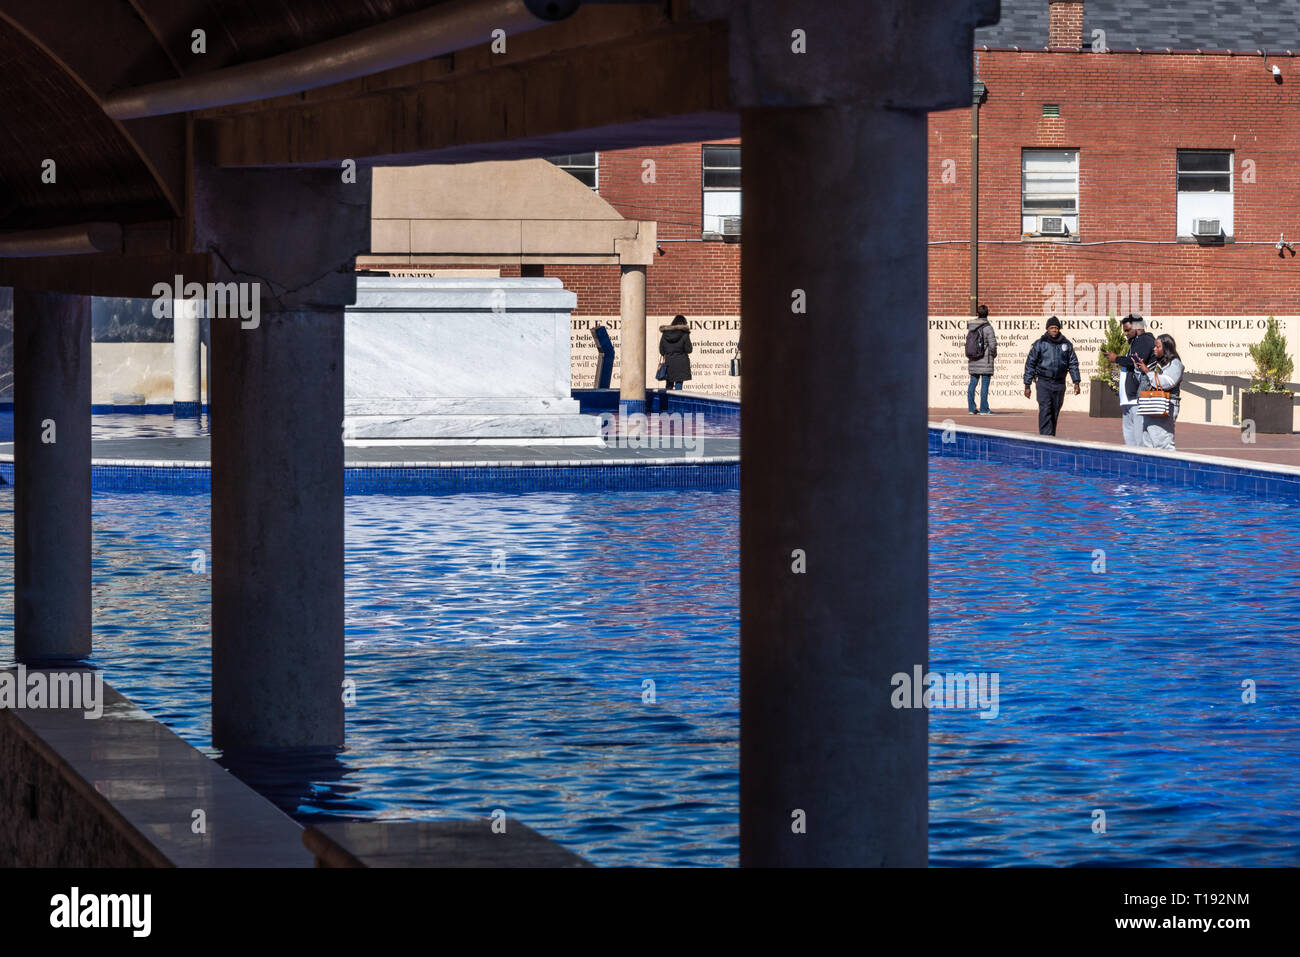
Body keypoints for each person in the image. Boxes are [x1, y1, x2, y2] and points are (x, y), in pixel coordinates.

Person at [1023, 316, 1081, 436]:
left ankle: (1051, 437)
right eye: (1051, 328)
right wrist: (1027, 385)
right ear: (1047, 329)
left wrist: (1076, 382)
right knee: (1045, 410)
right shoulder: (1040, 344)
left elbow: (1073, 363)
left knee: (1055, 411)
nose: (1054, 330)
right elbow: (1030, 364)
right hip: (1044, 382)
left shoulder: (1066, 344)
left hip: (1059, 383)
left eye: (1056, 328)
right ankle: (1045, 438)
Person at [1105, 314, 1156, 447]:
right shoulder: (1136, 342)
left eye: (1127, 330)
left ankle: (1141, 464)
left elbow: (1135, 362)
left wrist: (1116, 358)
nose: (1125, 333)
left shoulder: (1145, 340)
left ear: (1137, 327)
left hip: (1137, 398)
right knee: (1130, 438)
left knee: (1139, 439)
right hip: (1130, 398)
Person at [1134, 334, 1184, 450]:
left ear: (1166, 348)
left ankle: (1169, 467)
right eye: (1154, 346)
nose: (1154, 349)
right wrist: (1139, 368)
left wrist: (1147, 370)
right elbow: (1145, 381)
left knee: (1163, 445)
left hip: (1165, 407)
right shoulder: (1156, 363)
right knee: (1148, 444)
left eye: (1157, 347)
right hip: (1151, 406)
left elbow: (1166, 383)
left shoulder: (1175, 364)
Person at [966, 304, 997, 415]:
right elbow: (993, 345)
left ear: (977, 314)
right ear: (987, 314)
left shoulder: (971, 326)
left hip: (973, 358)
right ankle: (984, 409)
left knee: (972, 383)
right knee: (984, 385)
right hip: (985, 360)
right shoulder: (988, 327)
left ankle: (971, 408)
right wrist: (993, 355)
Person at [659, 314, 692, 391]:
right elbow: (689, 350)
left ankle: (667, 402)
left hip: (669, 362)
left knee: (669, 384)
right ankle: (677, 402)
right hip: (681, 362)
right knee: (679, 384)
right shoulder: (684, 334)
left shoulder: (665, 334)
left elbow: (661, 350)